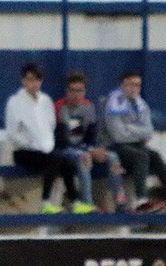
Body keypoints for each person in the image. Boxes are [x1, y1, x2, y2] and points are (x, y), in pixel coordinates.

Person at [5, 62, 93, 214]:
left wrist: (46, 147)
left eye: (37, 80)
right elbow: (13, 134)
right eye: (29, 79)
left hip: (46, 150)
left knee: (67, 161)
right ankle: (45, 202)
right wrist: (33, 145)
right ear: (23, 80)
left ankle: (74, 201)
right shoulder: (15, 102)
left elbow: (51, 126)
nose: (33, 84)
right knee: (56, 159)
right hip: (24, 151)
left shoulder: (45, 101)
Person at [102, 71, 166, 213]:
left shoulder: (141, 104)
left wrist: (130, 130)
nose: (134, 88)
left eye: (137, 85)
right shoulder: (113, 104)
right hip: (114, 147)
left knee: (155, 155)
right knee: (142, 155)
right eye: (130, 85)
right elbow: (118, 136)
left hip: (135, 146)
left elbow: (148, 132)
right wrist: (138, 132)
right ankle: (142, 201)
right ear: (122, 86)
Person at [54, 71, 129, 213]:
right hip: (65, 149)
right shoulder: (59, 107)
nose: (76, 94)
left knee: (113, 157)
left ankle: (120, 202)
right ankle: (87, 203)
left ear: (85, 91)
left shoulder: (88, 107)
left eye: (80, 91)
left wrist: (96, 149)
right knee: (84, 158)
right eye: (73, 90)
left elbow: (91, 136)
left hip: (84, 148)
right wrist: (88, 150)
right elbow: (64, 140)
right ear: (67, 91)